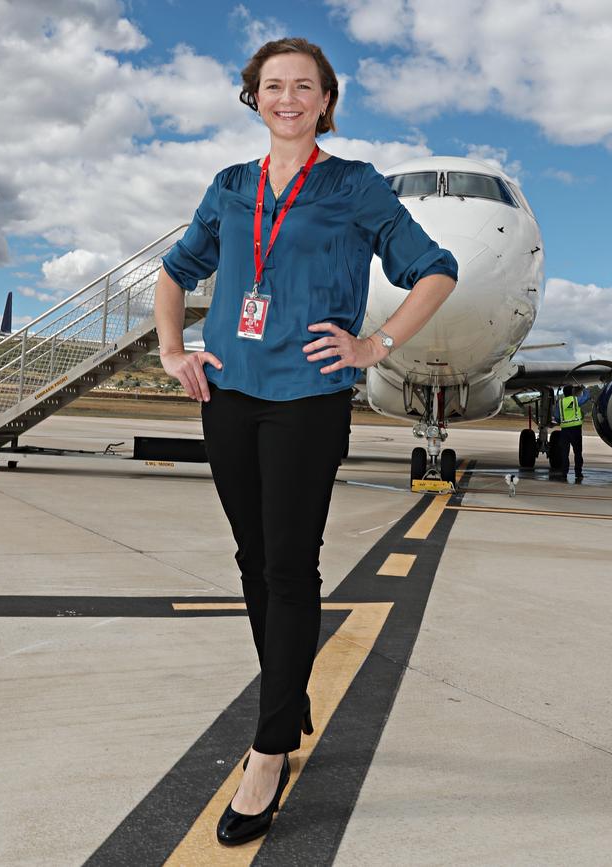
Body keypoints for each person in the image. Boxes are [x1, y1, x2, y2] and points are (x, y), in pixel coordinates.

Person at [154, 37, 458, 847]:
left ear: (327, 100)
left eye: (305, 86)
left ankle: (269, 747)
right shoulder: (228, 186)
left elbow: (435, 268)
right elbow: (175, 270)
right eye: (273, 85)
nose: (287, 97)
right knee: (253, 560)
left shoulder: (353, 186)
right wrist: (172, 350)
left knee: (289, 564)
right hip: (227, 397)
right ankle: (290, 695)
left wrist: (375, 345)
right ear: (254, 97)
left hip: (308, 400)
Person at [554, 384, 590, 481]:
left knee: (564, 453)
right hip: (576, 430)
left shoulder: (560, 403)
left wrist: (563, 422)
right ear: (572, 392)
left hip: (565, 431)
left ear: (564, 393)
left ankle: (564, 473)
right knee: (578, 452)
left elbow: (556, 417)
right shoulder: (576, 400)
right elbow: (586, 397)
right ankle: (578, 473)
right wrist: (584, 388)